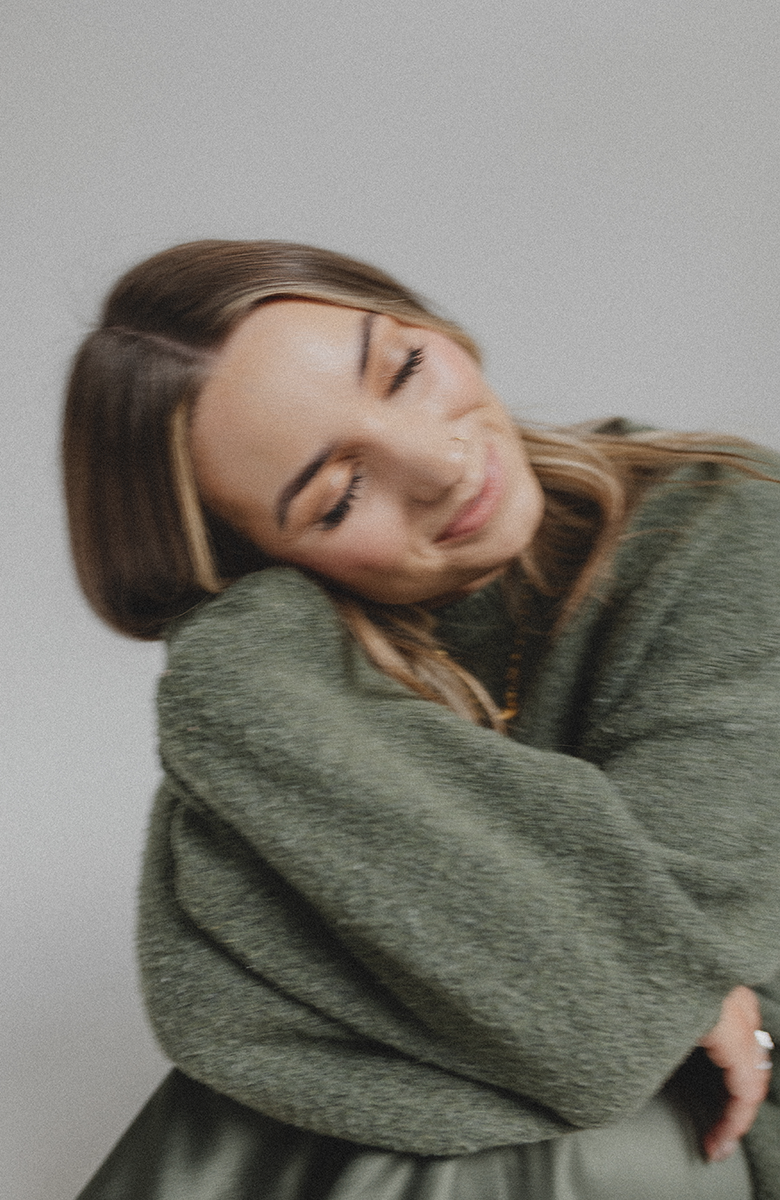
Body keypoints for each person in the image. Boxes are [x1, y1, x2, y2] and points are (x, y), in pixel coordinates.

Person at [63, 241, 780, 1200]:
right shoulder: (282, 676)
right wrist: (231, 659)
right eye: (337, 494)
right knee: (247, 1120)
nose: (441, 463)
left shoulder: (724, 527)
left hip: (732, 1114)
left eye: (402, 368)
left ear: (423, 318)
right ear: (252, 562)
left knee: (556, 1145)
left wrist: (489, 981)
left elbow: (687, 958)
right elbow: (223, 1010)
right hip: (523, 1113)